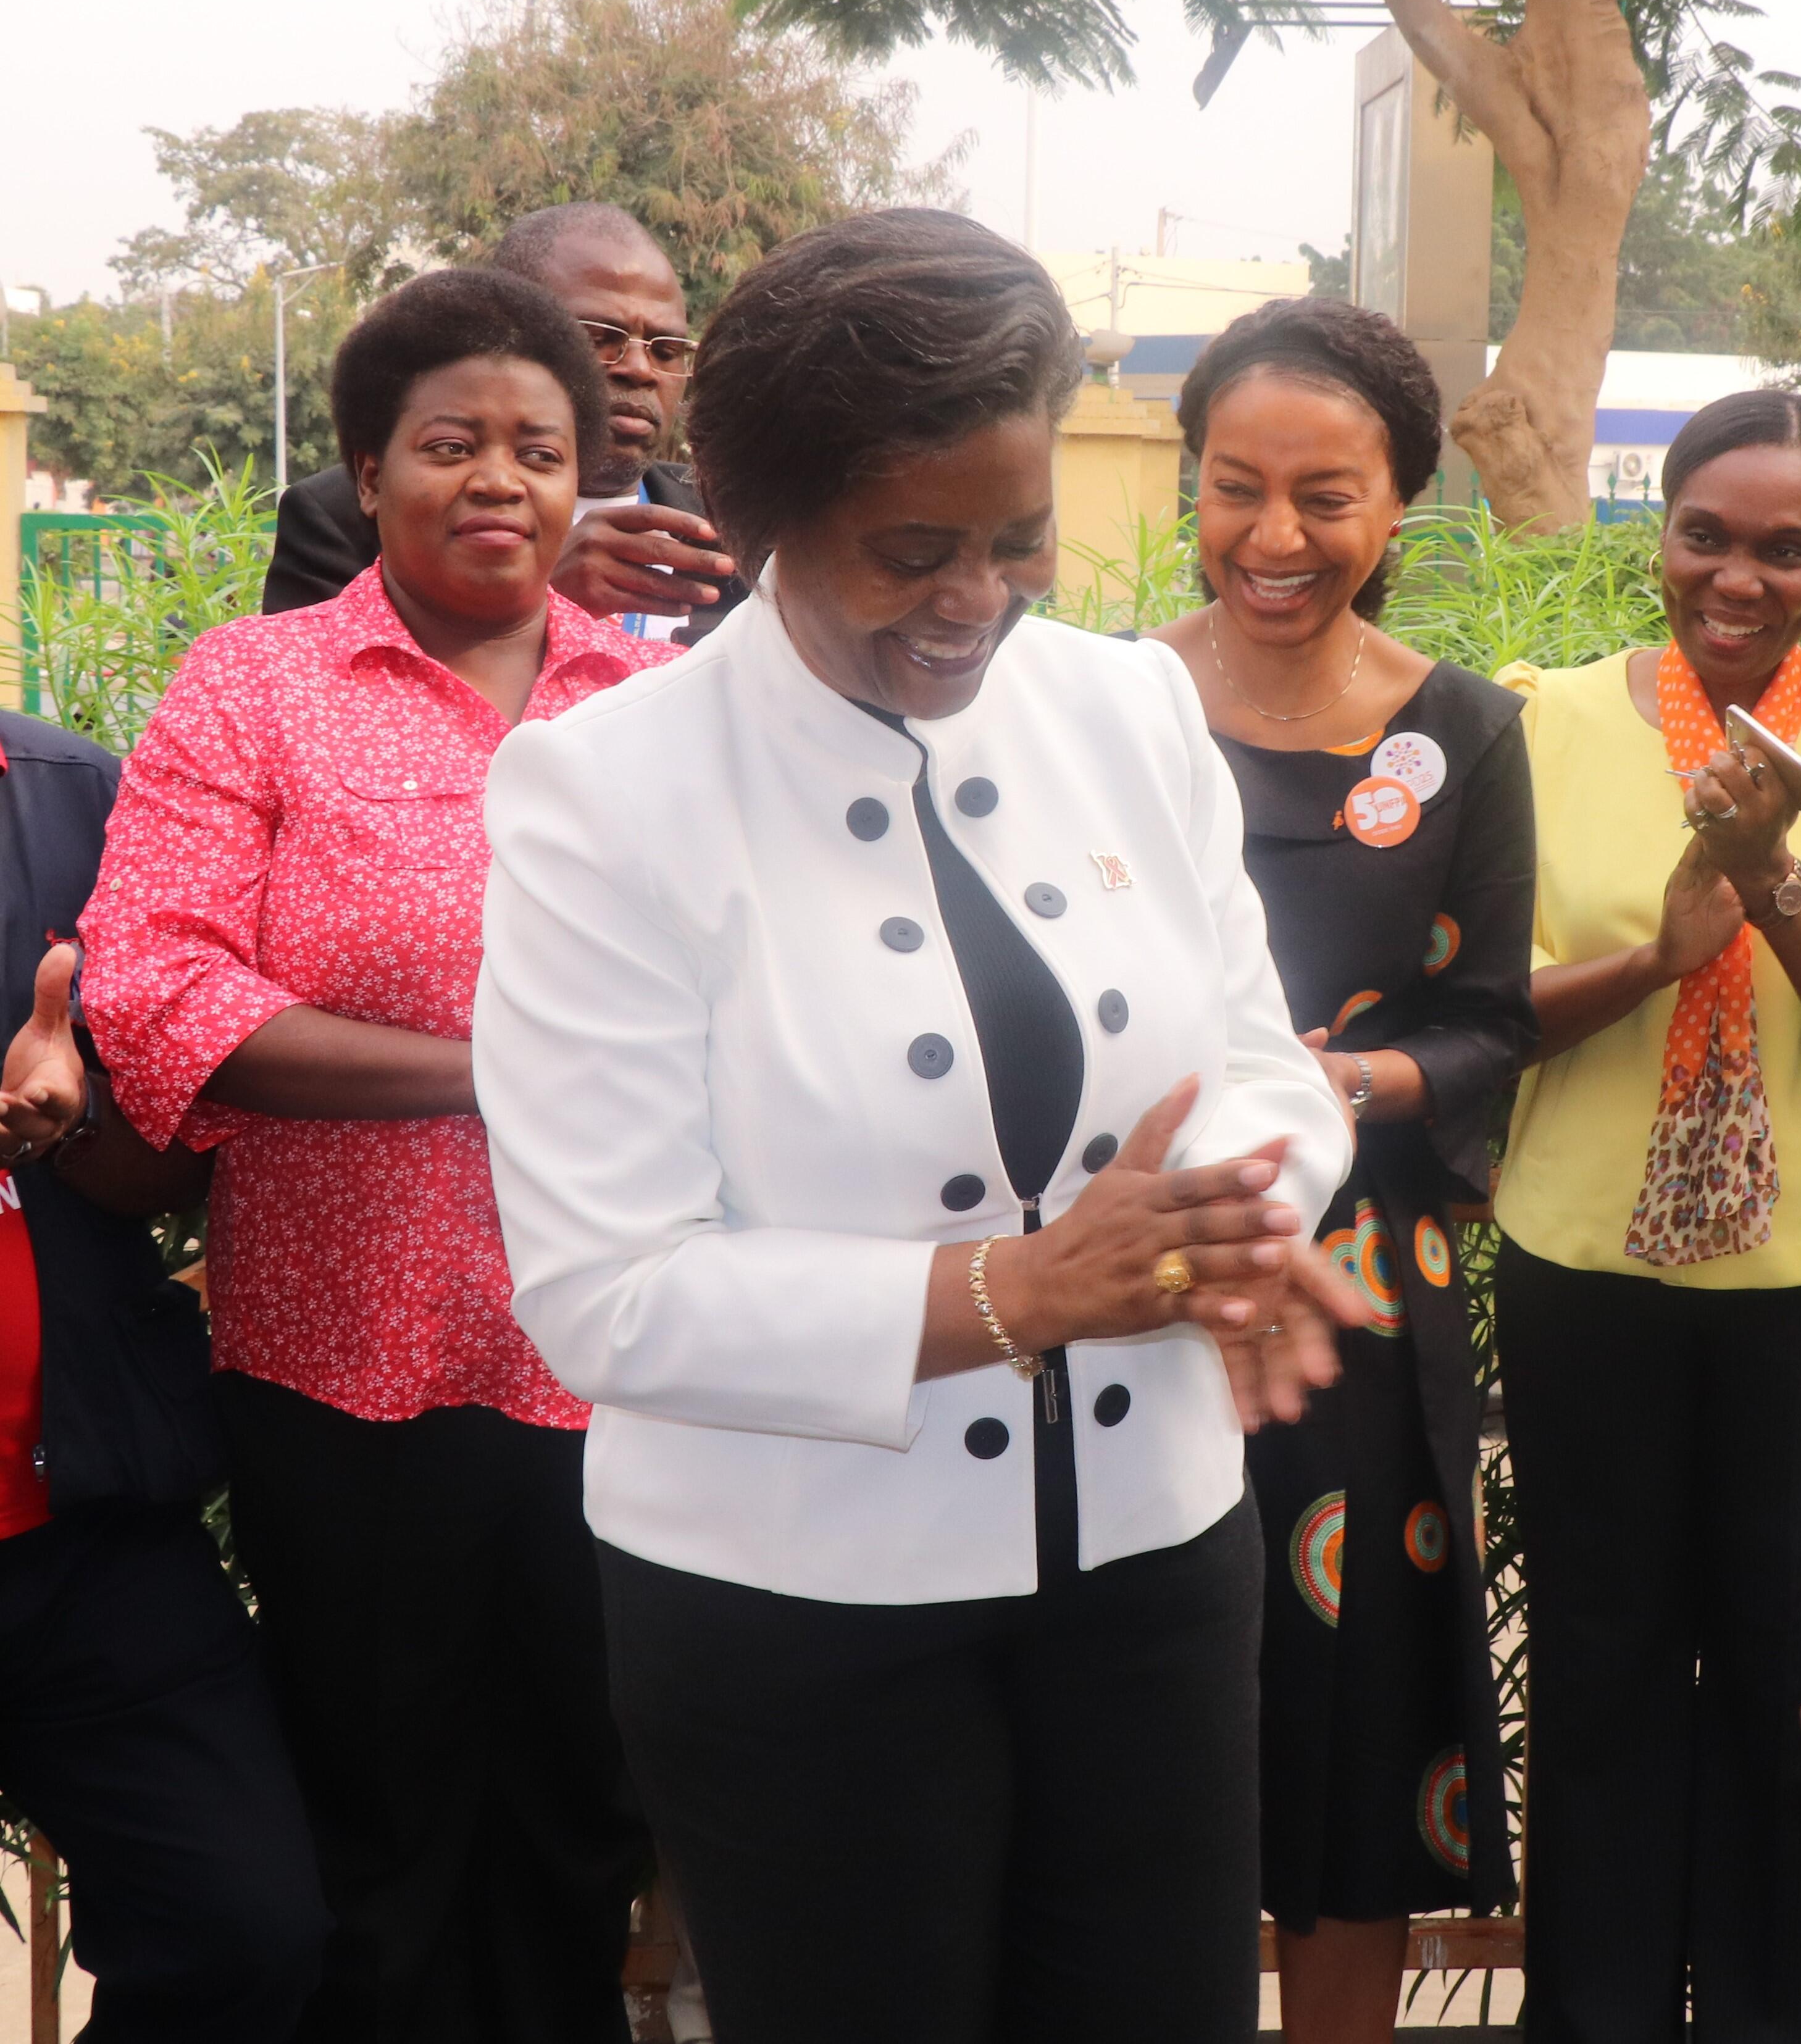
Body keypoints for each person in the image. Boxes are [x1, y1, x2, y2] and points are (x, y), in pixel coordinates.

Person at [469, 207, 1366, 2044]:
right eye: (909, 553)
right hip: (792, 1613)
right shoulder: (603, 793)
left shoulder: (1125, 707)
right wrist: (1019, 1293)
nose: (975, 597)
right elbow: (608, 1295)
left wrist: (1235, 1223)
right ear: (771, 520)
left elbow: (1263, 1062)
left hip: (1154, 1567)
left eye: (1017, 539)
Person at [80, 266, 668, 2043]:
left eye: (541, 450)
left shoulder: (658, 704)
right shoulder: (254, 687)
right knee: (378, 1843)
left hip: (627, 1369)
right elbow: (158, 987)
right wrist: (506, 1069)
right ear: (366, 469)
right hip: (348, 1371)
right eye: (453, 442)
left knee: (582, 1833)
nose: (501, 479)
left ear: (588, 484)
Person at [1491, 390, 1801, 2043]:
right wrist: (1659, 949)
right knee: (1602, 1689)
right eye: (1707, 532)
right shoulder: (1537, 719)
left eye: (1787, 547)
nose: (1739, 576)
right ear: (1661, 526)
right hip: (1584, 1269)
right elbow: (1486, 1011)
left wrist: (1774, 881)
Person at [1153, 298, 1534, 2040]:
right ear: (1189, 487)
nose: (1277, 537)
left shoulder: (1459, 731)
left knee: (1356, 1722)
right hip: (1136, 1272)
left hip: (1367, 1298)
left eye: (1327, 495)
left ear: (1400, 510)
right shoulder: (1107, 706)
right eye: (1237, 487)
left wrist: (1342, 1083)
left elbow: (1491, 1021)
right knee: (1141, 1703)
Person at [0, 727, 331, 2040]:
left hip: (81, 1517)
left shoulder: (82, 795)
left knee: (247, 1934)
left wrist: (80, 1118)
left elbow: (183, 1139)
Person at [263, 203, 745, 642]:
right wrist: (536, 605)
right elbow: (321, 714)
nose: (640, 371)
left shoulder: (729, 520)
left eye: (666, 351)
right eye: (599, 338)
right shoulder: (343, 516)